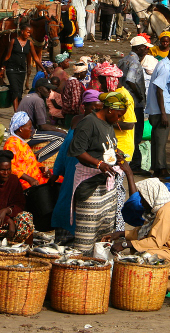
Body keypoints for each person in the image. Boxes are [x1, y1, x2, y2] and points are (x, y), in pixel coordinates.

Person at [103, 178, 170, 297]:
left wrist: (125, 244)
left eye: (143, 198)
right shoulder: (160, 209)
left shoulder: (166, 211)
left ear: (151, 195)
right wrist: (121, 234)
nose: (142, 202)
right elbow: (147, 232)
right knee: (139, 250)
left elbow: (155, 241)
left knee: (146, 256)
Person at [68, 91, 128, 255]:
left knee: (104, 233)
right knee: (87, 235)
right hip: (90, 185)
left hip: (106, 186)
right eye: (119, 115)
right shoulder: (89, 122)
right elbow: (76, 150)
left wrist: (117, 153)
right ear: (109, 110)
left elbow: (105, 146)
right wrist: (99, 163)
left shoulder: (108, 124)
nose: (120, 119)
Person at [49, 90, 103, 244]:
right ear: (83, 107)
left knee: (85, 204)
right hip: (73, 168)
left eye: (99, 108)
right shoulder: (77, 121)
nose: (96, 112)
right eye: (93, 108)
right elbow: (65, 147)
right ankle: (64, 240)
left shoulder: (100, 125)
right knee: (67, 202)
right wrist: (57, 171)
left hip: (90, 171)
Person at [146, 41, 170, 178]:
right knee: (160, 140)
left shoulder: (166, 65)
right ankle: (160, 168)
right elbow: (159, 89)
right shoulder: (165, 67)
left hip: (160, 109)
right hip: (160, 110)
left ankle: (158, 167)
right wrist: (163, 114)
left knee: (158, 139)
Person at [118, 35, 152, 175]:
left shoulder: (123, 60)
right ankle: (134, 165)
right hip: (134, 103)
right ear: (138, 49)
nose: (146, 51)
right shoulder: (135, 62)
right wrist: (139, 95)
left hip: (123, 101)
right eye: (144, 48)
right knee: (136, 135)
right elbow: (131, 80)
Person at [0, 23, 47, 111]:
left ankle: (20, 109)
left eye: (30, 33)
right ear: (22, 31)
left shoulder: (30, 44)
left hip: (21, 70)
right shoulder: (13, 41)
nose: (29, 34)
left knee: (20, 91)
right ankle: (16, 112)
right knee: (14, 89)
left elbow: (36, 58)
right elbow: (8, 56)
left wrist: (44, 69)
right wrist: (3, 69)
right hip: (11, 69)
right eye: (28, 32)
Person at [18, 78, 67, 162]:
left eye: (50, 89)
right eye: (47, 89)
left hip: (20, 131)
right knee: (63, 137)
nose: (49, 91)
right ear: (39, 89)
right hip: (27, 134)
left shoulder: (29, 96)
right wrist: (60, 130)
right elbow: (42, 126)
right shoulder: (38, 100)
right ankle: (37, 155)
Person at [3, 111, 53, 190]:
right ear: (21, 129)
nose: (31, 130)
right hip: (26, 183)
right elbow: (11, 168)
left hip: (35, 177)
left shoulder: (21, 142)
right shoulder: (12, 144)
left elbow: (32, 162)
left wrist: (42, 168)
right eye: (29, 128)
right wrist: (30, 179)